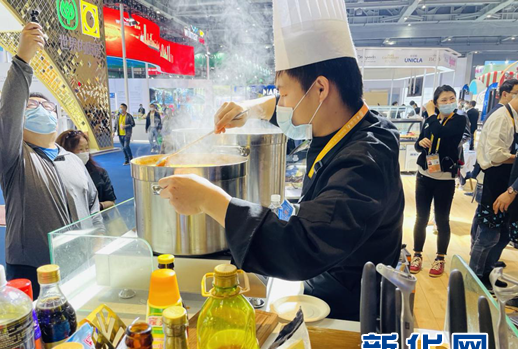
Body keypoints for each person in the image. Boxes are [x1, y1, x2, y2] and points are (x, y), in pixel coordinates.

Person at [156, 0, 404, 321]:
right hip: (331, 286)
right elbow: (277, 106)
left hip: (353, 311)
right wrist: (249, 109)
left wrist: (208, 199)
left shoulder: (366, 162)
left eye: (284, 93)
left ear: (320, 89)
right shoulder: (355, 124)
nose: (281, 104)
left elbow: (302, 246)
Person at [0, 23, 101, 298]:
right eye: (32, 106)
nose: (41, 109)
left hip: (80, 262)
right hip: (33, 268)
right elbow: (9, 113)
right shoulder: (14, 158)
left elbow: (93, 207)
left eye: (48, 106)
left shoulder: (72, 160)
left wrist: (98, 245)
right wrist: (22, 60)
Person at [409, 86, 467, 277]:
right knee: (421, 217)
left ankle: (440, 257)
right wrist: (420, 144)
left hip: (445, 179)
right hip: (424, 175)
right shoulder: (430, 121)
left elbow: (442, 133)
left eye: (452, 98)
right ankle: (417, 254)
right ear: (436, 102)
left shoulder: (459, 120)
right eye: (444, 99)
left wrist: (432, 114)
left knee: (442, 219)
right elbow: (419, 143)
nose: (449, 102)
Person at [470, 96, 518, 287]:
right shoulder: (501, 117)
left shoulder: (512, 117)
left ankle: (487, 273)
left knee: (502, 234)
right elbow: (495, 155)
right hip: (495, 185)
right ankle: (474, 279)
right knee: (487, 235)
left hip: (506, 184)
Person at [57, 130, 117, 210]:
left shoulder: (100, 173)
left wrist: (97, 206)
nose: (85, 152)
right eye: (80, 149)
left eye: (87, 148)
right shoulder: (58, 176)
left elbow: (111, 201)